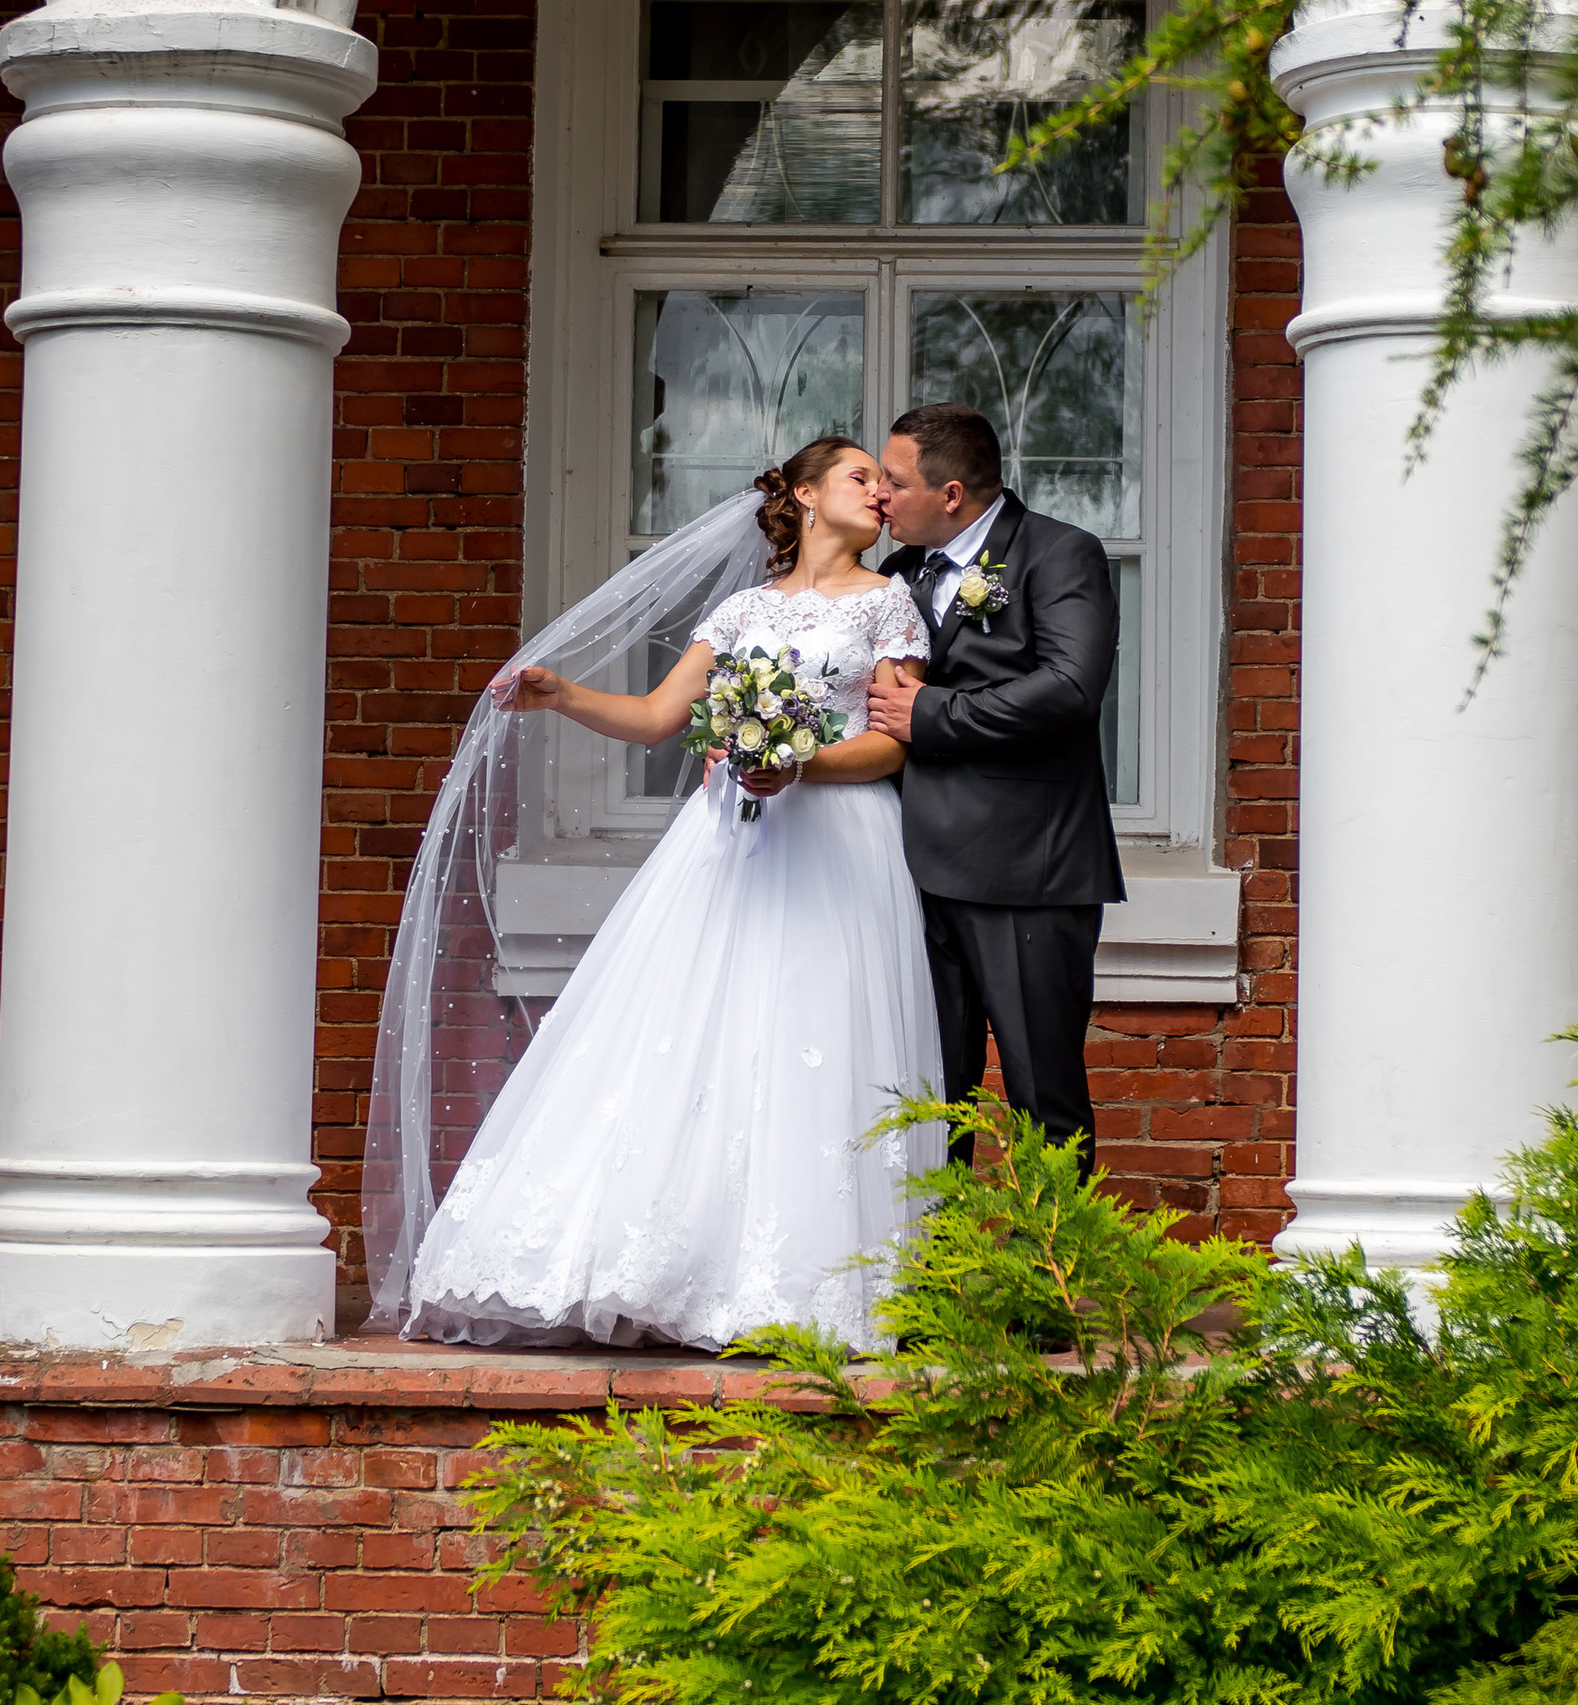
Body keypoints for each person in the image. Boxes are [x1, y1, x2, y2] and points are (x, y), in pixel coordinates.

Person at [400, 438, 941, 1352]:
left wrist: (799, 764)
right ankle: (660, 1264)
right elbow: (659, 716)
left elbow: (893, 742)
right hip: (730, 848)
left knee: (821, 1042)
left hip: (842, 845)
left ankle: (810, 1287)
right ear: (806, 497)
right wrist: (561, 693)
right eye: (860, 477)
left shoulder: (892, 604)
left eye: (886, 483)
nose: (881, 494)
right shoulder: (740, 613)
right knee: (698, 1035)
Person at [868, 400, 1123, 1169]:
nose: (880, 495)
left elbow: (1073, 686)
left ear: (950, 495)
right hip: (911, 867)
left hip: (1028, 872)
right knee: (928, 1096)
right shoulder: (897, 573)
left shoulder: (1059, 553)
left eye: (894, 479)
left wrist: (934, 714)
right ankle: (933, 1276)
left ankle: (1050, 1282)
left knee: (1041, 1093)